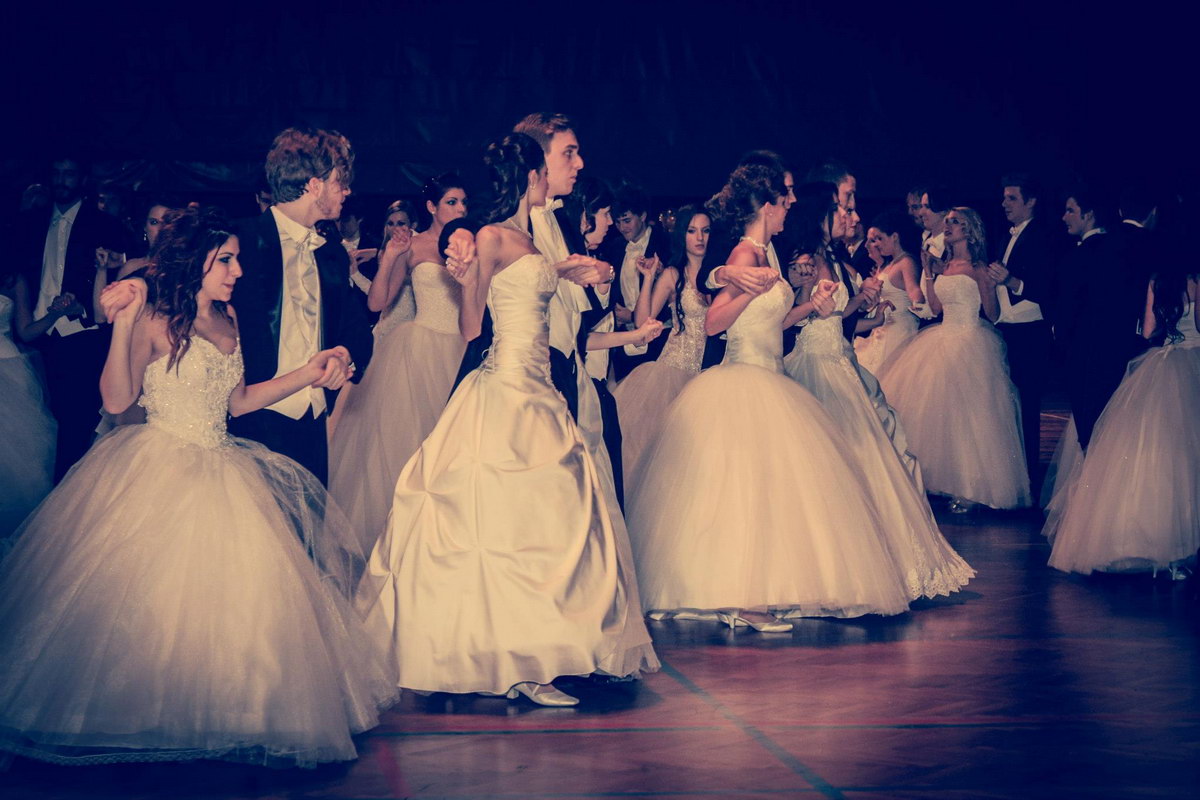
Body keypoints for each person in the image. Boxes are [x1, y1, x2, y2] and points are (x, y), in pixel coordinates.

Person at [0, 207, 395, 767]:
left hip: (223, 461)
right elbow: (116, 400)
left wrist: (309, 373)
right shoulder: (154, 319)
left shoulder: (229, 317)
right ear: (196, 261)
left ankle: (229, 711)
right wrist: (124, 323)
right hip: (158, 464)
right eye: (226, 260)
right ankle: (143, 711)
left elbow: (239, 403)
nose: (237, 271)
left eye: (237, 259)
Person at [356, 133, 658, 707]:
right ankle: (519, 665)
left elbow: (532, 286)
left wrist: (565, 273)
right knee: (508, 519)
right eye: (551, 164)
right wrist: (468, 278)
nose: (559, 173)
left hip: (541, 386)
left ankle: (538, 651)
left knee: (548, 519)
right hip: (506, 384)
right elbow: (473, 328)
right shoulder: (489, 235)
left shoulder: (529, 237)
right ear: (531, 174)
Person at [627, 165, 915, 631]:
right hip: (744, 379)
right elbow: (715, 323)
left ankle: (755, 593)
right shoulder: (745, 253)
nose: (791, 205)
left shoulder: (767, 253)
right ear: (767, 206)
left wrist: (810, 307)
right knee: (744, 491)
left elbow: (772, 323)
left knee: (768, 493)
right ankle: (744, 600)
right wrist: (747, 290)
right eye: (785, 198)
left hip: (772, 375)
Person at [780, 193, 973, 599]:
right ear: (821, 216)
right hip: (817, 365)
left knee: (869, 455)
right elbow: (796, 315)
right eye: (841, 210)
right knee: (838, 460)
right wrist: (813, 296)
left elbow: (834, 314)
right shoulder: (807, 259)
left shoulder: (829, 257)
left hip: (840, 359)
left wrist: (861, 302)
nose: (847, 216)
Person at [226, 127, 374, 484]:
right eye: (340, 182)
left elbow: (357, 328)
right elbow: (179, 279)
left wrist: (342, 355)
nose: (347, 191)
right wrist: (134, 285)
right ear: (315, 185)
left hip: (312, 423)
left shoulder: (331, 253)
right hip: (250, 422)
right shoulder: (239, 240)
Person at [328, 175, 469, 552]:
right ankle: (401, 539)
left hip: (462, 350)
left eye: (463, 202)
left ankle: (446, 538)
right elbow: (377, 303)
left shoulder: (473, 243)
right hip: (419, 352)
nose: (460, 209)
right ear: (432, 207)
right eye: (452, 202)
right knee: (410, 445)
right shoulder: (415, 245)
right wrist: (390, 255)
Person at [1043, 265, 1198, 576]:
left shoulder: (1158, 279)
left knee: (1158, 454)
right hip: (1191, 362)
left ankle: (1157, 545)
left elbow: (1148, 332)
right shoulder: (1195, 281)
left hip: (1163, 360)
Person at [876, 208, 1031, 511]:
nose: (948, 227)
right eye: (947, 222)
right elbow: (935, 308)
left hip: (970, 339)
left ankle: (970, 488)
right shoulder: (945, 266)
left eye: (955, 223)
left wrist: (992, 286)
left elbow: (993, 314)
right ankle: (939, 482)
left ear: (969, 231)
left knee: (969, 418)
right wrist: (929, 271)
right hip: (941, 337)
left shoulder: (978, 267)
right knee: (937, 414)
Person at [18, 156, 131, 479]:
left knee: (75, 421)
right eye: (56, 173)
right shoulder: (31, 222)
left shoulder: (104, 224)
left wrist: (81, 305)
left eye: (68, 174)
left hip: (81, 334)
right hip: (33, 334)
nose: (61, 180)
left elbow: (117, 276)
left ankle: (65, 488)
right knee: (35, 421)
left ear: (81, 179)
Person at [611, 205, 711, 477]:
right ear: (682, 235)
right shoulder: (673, 275)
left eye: (705, 231)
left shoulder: (720, 273)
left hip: (713, 367)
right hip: (676, 367)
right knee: (672, 450)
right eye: (692, 231)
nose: (699, 238)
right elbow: (643, 320)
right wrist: (648, 278)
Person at [984, 174, 1065, 494]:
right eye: (1004, 198)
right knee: (1009, 406)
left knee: (1027, 406)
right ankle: (1012, 477)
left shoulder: (1044, 236)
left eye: (1012, 198)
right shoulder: (1007, 236)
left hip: (1031, 331)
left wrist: (1011, 281)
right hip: (1008, 328)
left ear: (1031, 201)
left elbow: (1049, 286)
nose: (1004, 204)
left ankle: (1029, 480)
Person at [1054, 186, 1150, 451]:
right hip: (1115, 346)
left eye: (1070, 210)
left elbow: (1069, 308)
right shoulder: (1118, 246)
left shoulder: (1086, 253)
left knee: (1092, 428)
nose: (1064, 217)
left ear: (1089, 214)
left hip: (1086, 351)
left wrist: (1063, 343)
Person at [0, 262, 56, 537]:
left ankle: (24, 532)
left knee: (22, 450)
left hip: (9, 365)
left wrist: (56, 314)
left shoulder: (13, 277)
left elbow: (26, 331)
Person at [854, 210, 925, 374]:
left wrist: (919, 300)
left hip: (900, 329)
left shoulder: (906, 261)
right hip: (883, 327)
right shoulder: (891, 263)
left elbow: (915, 292)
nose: (877, 244)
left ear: (894, 236)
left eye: (880, 238)